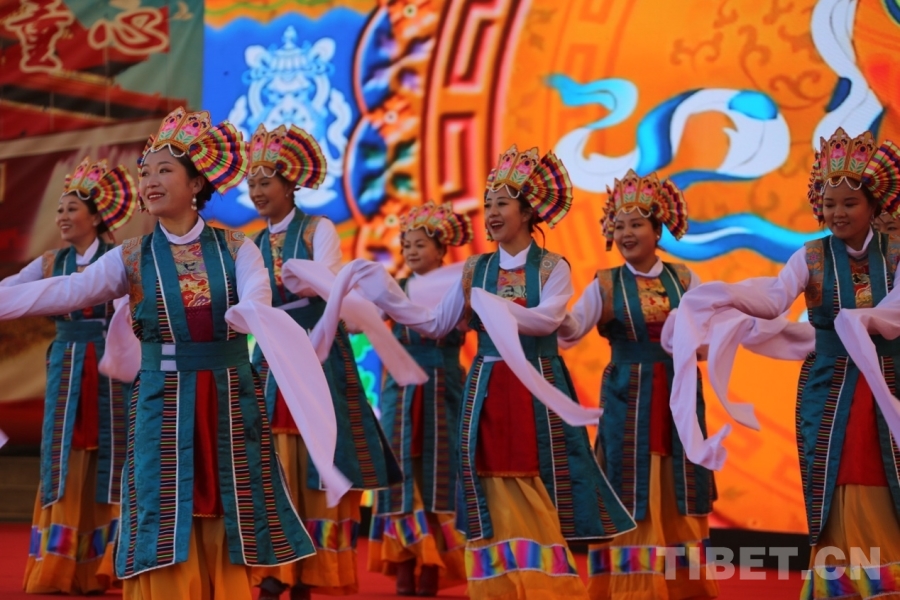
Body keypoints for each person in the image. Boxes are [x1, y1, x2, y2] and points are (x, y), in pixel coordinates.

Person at [0, 107, 348, 600]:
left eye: (164, 170)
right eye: (145, 172)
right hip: (160, 399)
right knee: (159, 501)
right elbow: (64, 291)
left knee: (227, 500)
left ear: (196, 183)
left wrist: (245, 313)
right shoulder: (130, 256)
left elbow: (258, 299)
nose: (150, 181)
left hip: (227, 397)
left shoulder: (237, 248)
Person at [303, 144, 637, 599]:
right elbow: (435, 324)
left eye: (502, 203)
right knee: (488, 480)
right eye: (488, 204)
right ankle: (495, 587)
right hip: (487, 387)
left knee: (537, 477)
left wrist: (491, 305)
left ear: (528, 211)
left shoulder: (553, 267)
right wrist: (386, 293)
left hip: (537, 384)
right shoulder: (476, 269)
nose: (492, 213)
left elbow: (547, 319)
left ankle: (544, 587)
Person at [670, 127, 900, 599]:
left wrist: (861, 320)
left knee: (886, 472)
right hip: (829, 387)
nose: (837, 212)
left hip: (888, 382)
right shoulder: (810, 256)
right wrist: (722, 296)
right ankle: (843, 585)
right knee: (834, 476)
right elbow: (774, 300)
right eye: (829, 203)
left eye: (849, 203)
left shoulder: (895, 254)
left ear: (874, 204)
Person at [245, 123, 400, 600]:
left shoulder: (318, 229)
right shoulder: (250, 243)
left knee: (319, 451)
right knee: (275, 453)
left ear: (290, 183)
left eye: (265, 182)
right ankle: (278, 568)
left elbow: (332, 283)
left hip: (318, 346)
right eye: (251, 184)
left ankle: (309, 572)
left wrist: (304, 275)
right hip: (273, 351)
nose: (257, 191)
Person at [558, 170, 718, 599]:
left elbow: (707, 341)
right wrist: (542, 313)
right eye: (619, 225)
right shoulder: (605, 284)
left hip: (677, 401)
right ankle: (632, 590)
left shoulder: (685, 280)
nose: (626, 233)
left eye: (636, 224)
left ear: (657, 229)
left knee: (679, 490)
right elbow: (570, 330)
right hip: (626, 405)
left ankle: (684, 591)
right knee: (631, 491)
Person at [1, 157, 136, 595]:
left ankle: (107, 564)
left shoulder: (120, 258)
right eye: (59, 209)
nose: (61, 216)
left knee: (112, 455)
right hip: (67, 365)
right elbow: (7, 292)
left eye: (71, 209)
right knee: (65, 454)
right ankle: (60, 565)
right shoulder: (49, 263)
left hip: (108, 365)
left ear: (95, 216)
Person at [367, 201, 471, 596]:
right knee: (401, 467)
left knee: (441, 469)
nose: (410, 251)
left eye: (420, 244)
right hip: (401, 390)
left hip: (444, 388)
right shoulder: (397, 288)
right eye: (406, 245)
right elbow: (363, 322)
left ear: (442, 249)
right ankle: (406, 559)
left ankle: (433, 562)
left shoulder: (461, 288)